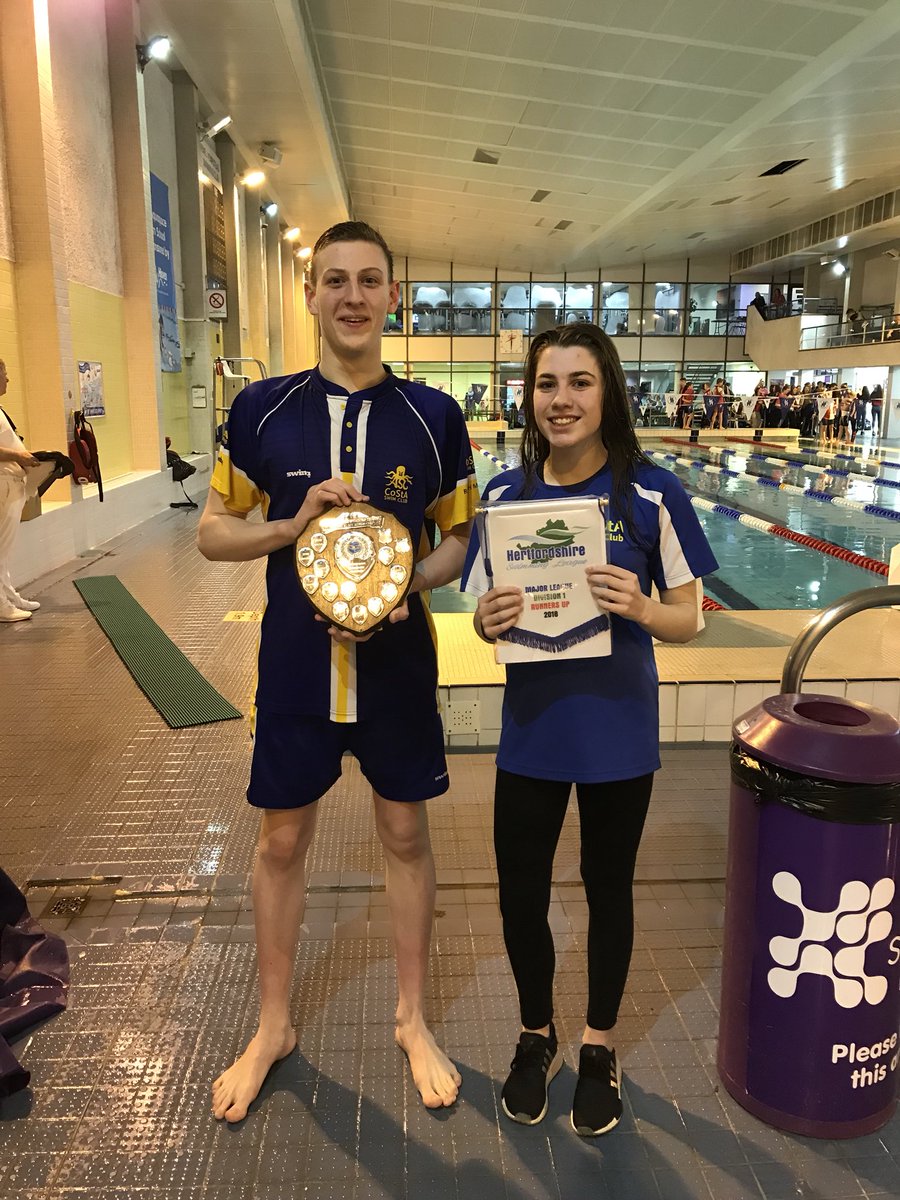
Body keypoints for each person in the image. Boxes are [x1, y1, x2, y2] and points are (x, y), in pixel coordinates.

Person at [198, 222, 476, 1122]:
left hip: (396, 667)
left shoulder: (434, 416)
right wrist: (290, 524)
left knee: (404, 836)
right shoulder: (262, 410)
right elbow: (212, 535)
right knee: (281, 844)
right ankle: (273, 1023)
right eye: (334, 280)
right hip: (294, 667)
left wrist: (408, 584)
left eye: (368, 280)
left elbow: (458, 541)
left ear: (393, 296)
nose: (352, 296)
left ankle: (411, 1017)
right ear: (312, 294)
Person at [461, 324, 717, 1137]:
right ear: (529, 396)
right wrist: (486, 620)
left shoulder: (652, 494)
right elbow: (481, 615)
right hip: (532, 729)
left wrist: (640, 606)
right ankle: (536, 1033)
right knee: (520, 892)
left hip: (617, 730)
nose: (561, 399)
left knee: (609, 888)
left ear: (607, 392)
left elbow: (691, 619)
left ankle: (600, 1044)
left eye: (579, 382)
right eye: (547, 384)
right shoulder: (504, 496)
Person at [0, 359, 40, 622]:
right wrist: (18, 456)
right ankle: (1, 606)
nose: (7, 379)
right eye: (4, 374)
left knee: (4, 550)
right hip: (3, 483)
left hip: (12, 483)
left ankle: (8, 596)